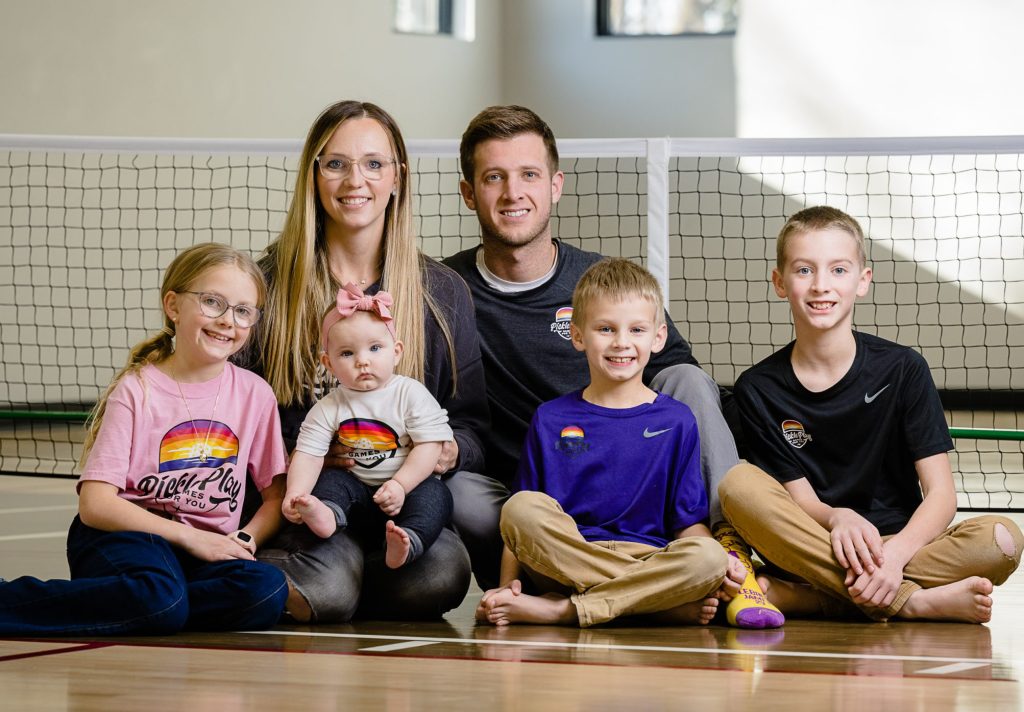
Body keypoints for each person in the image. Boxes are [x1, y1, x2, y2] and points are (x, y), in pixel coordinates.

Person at [443, 105, 780, 627]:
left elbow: (670, 380)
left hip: (638, 513)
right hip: (541, 511)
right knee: (464, 491)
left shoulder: (600, 287)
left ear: (555, 185)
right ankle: (662, 594)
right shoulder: (445, 291)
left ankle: (726, 559)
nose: (513, 193)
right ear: (469, 193)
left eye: (529, 175)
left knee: (689, 379)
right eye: (494, 178)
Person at [236, 100, 486, 623]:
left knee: (444, 573)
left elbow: (470, 424)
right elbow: (238, 417)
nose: (356, 180)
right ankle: (327, 574)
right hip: (313, 505)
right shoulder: (269, 287)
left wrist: (445, 453)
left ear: (397, 177)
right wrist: (305, 457)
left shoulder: (441, 292)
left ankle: (340, 581)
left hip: (402, 500)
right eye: (336, 163)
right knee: (326, 586)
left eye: (374, 163)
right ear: (314, 176)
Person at [719, 206, 1023, 623]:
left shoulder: (903, 369)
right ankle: (911, 602)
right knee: (737, 486)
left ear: (863, 281)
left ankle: (813, 597)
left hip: (900, 545)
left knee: (1002, 540)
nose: (821, 285)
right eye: (804, 270)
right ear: (780, 282)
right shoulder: (758, 388)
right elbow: (801, 501)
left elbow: (941, 495)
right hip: (814, 540)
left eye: (838, 270)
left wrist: (895, 557)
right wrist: (837, 517)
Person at [0, 243, 289, 636]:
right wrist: (192, 538)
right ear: (173, 305)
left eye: (243, 311)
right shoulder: (138, 390)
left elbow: (274, 497)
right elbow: (95, 504)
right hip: (125, 535)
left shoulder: (255, 395)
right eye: (212, 302)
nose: (227, 321)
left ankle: (157, 604)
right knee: (158, 595)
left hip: (201, 548)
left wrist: (243, 539)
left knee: (265, 590)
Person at [476, 259, 746, 627]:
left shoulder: (677, 420)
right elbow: (519, 529)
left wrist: (718, 561)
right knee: (520, 507)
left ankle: (567, 610)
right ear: (578, 335)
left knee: (709, 557)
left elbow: (687, 523)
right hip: (567, 558)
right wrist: (508, 589)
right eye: (605, 328)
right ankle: (654, 603)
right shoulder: (550, 418)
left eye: (636, 329)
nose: (622, 343)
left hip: (650, 558)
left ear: (658, 337)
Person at [284, 283, 454, 570]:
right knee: (331, 482)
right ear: (329, 362)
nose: (363, 361)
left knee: (436, 496)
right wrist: (295, 492)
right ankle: (327, 515)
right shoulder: (330, 406)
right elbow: (309, 454)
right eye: (347, 354)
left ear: (396, 351)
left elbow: (430, 446)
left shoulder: (410, 394)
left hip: (406, 489)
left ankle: (408, 541)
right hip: (357, 491)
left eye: (375, 348)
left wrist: (401, 485)